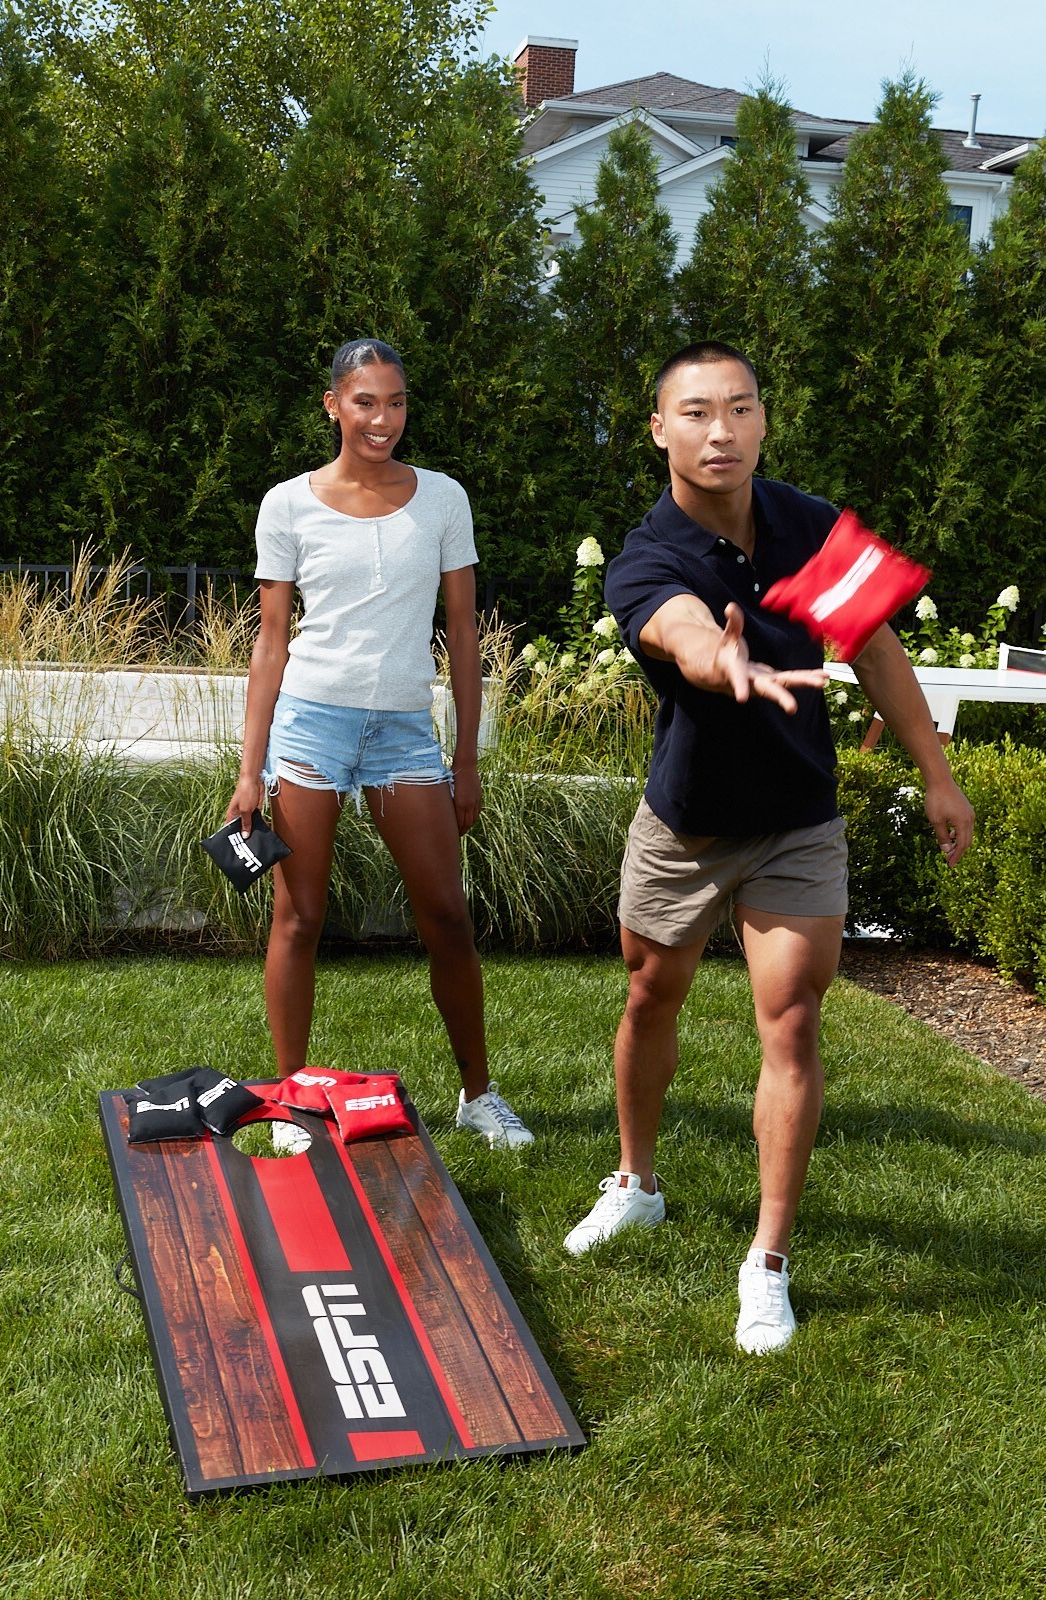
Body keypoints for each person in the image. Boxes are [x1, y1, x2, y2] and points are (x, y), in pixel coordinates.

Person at [563, 341, 973, 1352]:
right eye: (695, 413)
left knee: (788, 1022)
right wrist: (721, 658)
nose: (720, 431)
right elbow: (677, 630)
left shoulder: (806, 523)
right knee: (646, 994)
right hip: (686, 822)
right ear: (659, 429)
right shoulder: (647, 553)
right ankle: (636, 1179)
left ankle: (767, 1260)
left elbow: (874, 646)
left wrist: (936, 772)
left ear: (760, 421)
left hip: (795, 819)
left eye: (738, 409)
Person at [226, 338, 532, 1150]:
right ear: (332, 405)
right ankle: (292, 1100)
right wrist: (248, 771)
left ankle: (478, 1094)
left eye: (394, 403)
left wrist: (464, 758)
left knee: (446, 915)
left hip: (404, 732)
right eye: (365, 402)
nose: (382, 420)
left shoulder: (441, 500)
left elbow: (462, 633)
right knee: (300, 916)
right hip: (309, 727)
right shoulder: (287, 503)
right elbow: (269, 642)